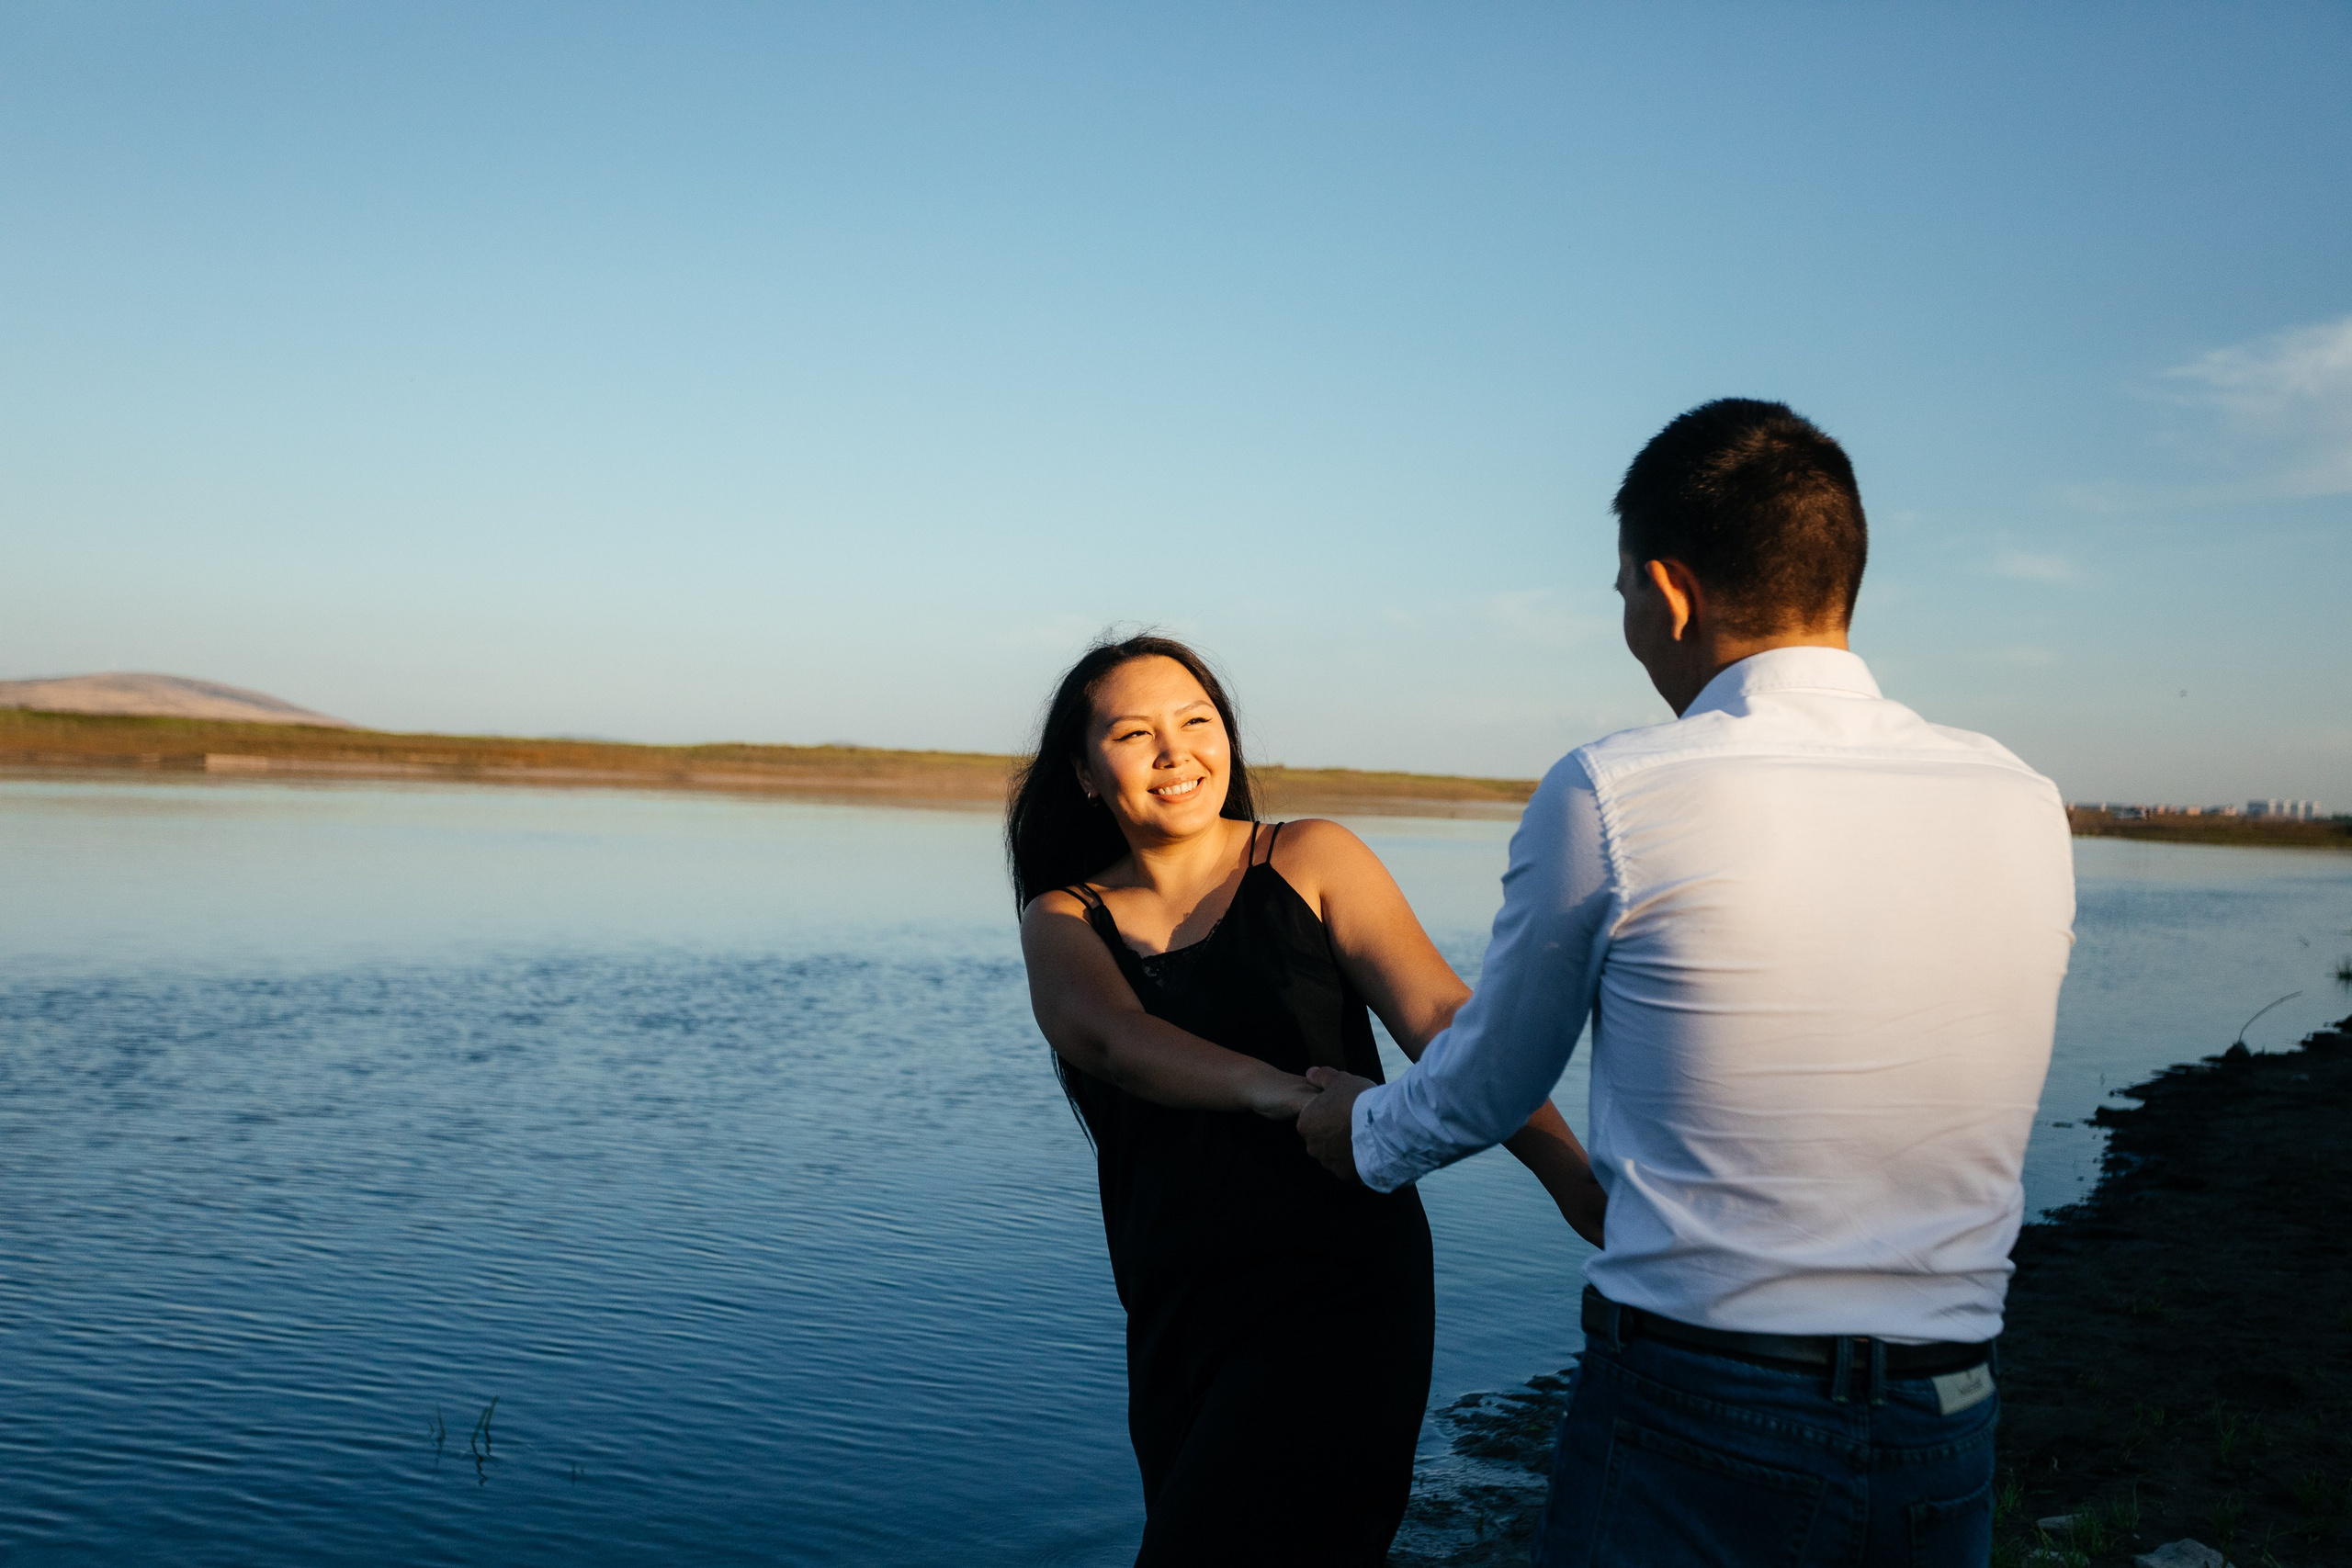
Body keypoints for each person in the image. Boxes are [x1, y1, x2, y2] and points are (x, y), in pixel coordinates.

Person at [1297, 400, 2076, 1567]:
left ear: (1670, 591)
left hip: (1701, 1402)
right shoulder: (2021, 798)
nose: (1628, 622)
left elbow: (1489, 1083)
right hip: (1944, 1408)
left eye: (1620, 595)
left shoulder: (1619, 791)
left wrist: (1355, 1135)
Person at [1010, 635, 1605, 1567]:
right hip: (1178, 1303)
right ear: (1085, 775)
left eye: (1196, 722)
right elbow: (1118, 1045)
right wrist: (1295, 1098)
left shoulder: (1311, 857)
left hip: (1343, 1285)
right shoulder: (1063, 920)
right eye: (1134, 734)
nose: (1175, 752)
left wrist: (1570, 1177)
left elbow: (1446, 1023)